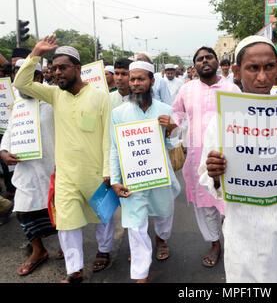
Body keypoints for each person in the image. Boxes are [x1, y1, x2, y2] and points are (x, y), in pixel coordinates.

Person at [198, 35, 277, 282]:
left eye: (269, 67)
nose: (262, 77)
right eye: (253, 68)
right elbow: (210, 181)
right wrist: (215, 173)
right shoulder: (222, 120)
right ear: (237, 71)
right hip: (244, 230)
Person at [13, 35, 113, 283]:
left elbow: (108, 138)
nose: (56, 73)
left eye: (62, 68)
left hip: (96, 172)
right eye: (54, 68)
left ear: (77, 69)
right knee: (67, 224)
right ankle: (74, 271)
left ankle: (104, 250)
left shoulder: (100, 97)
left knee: (103, 218)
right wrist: (36, 52)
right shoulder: (55, 95)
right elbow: (22, 83)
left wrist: (108, 171)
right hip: (66, 175)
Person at [110, 61, 180, 283]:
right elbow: (114, 148)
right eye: (132, 79)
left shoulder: (165, 111)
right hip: (133, 179)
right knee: (136, 226)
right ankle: (141, 275)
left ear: (151, 81)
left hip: (160, 177)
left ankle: (162, 240)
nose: (136, 83)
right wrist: (115, 180)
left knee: (163, 215)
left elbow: (173, 146)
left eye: (141, 79)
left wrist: (171, 129)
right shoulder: (119, 113)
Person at [172, 46, 241, 268]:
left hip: (228, 160)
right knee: (205, 206)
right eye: (200, 59)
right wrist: (169, 128)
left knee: (229, 204)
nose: (204, 61)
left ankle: (233, 242)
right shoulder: (187, 90)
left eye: (208, 57)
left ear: (217, 62)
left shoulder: (232, 89)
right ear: (194, 66)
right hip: (197, 159)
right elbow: (177, 116)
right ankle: (214, 243)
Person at [1, 61, 56, 276]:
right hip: (25, 171)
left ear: (38, 79)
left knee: (57, 211)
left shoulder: (52, 103)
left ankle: (66, 247)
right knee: (23, 210)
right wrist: (4, 152)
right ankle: (38, 250)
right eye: (16, 76)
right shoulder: (17, 106)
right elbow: (9, 132)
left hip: (51, 168)